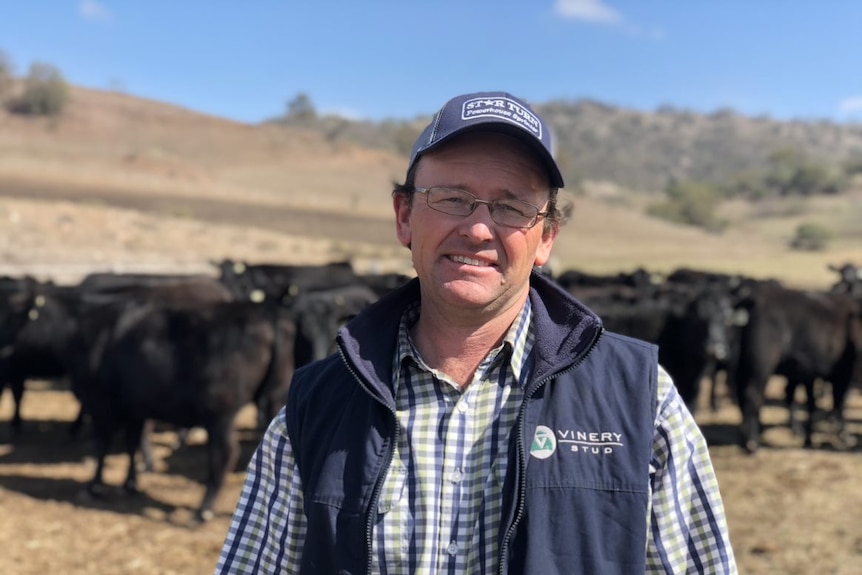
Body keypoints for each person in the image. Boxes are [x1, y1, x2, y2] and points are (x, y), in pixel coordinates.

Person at [214, 91, 738, 574]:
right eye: (451, 198)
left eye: (511, 207)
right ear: (404, 217)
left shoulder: (642, 398)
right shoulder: (315, 404)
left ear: (546, 237)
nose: (479, 229)